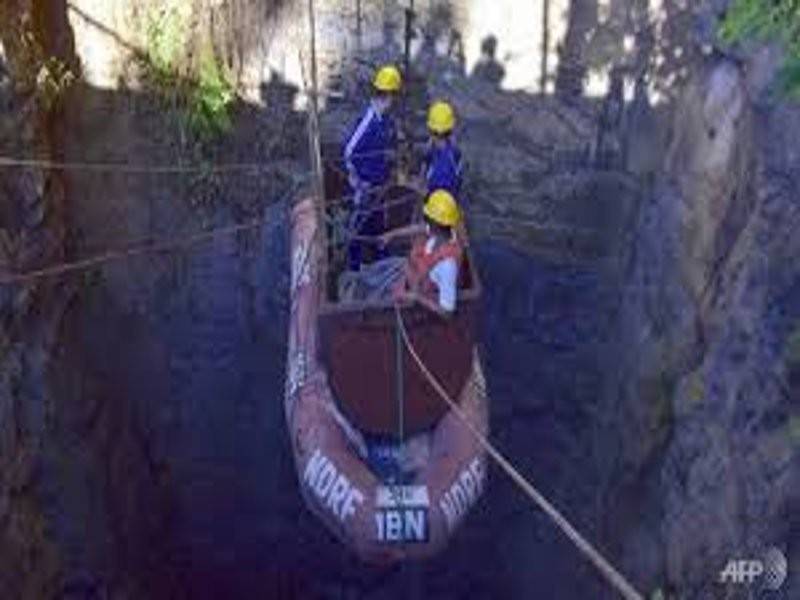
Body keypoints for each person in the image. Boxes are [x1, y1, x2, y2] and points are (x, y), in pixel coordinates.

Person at [342, 64, 402, 271]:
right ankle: (353, 266)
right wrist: (358, 182)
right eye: (395, 96)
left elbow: (381, 145)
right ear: (390, 95)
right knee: (359, 224)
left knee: (377, 219)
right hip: (366, 185)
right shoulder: (369, 121)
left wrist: (387, 156)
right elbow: (349, 152)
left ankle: (379, 255)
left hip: (379, 183)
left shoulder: (384, 119)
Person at [387, 189, 463, 317]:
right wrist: (392, 234)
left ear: (435, 224)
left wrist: (415, 297)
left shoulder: (447, 266)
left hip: (422, 292)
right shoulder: (445, 233)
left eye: (427, 219)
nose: (425, 223)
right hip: (416, 280)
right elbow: (421, 228)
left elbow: (447, 312)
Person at [421, 101, 463, 201]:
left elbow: (431, 196)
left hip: (438, 208)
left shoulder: (440, 172)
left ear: (431, 130)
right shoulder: (454, 150)